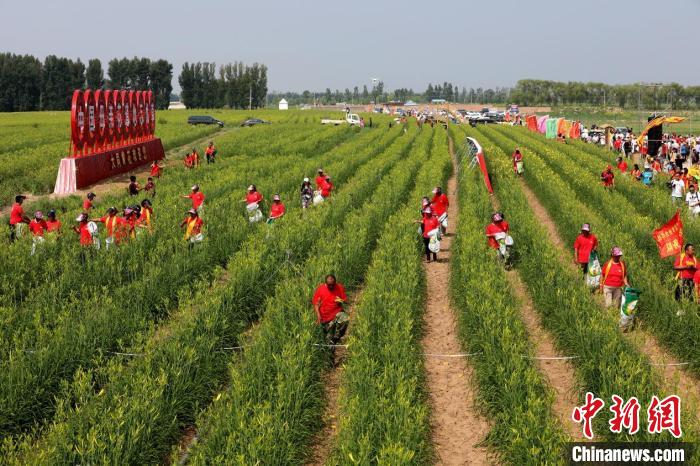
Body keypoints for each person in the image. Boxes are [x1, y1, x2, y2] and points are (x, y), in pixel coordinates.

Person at [312, 274, 349, 345]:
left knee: (345, 318)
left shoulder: (339, 287)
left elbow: (346, 301)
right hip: (325, 318)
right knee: (328, 342)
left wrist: (341, 300)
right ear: (326, 284)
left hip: (336, 315)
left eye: (333, 285)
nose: (331, 286)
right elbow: (316, 304)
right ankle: (330, 347)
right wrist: (318, 315)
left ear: (335, 283)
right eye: (329, 285)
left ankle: (336, 339)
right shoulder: (320, 289)